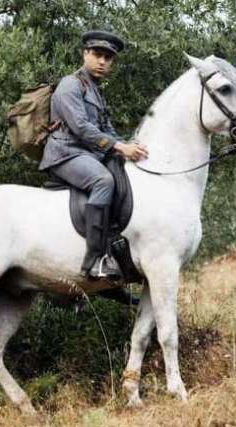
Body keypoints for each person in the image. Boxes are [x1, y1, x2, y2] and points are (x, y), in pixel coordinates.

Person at [40, 30, 148, 280]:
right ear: (85, 53)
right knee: (103, 180)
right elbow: (80, 127)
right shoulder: (71, 85)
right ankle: (95, 260)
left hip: (87, 154)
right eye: (98, 55)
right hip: (64, 154)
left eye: (108, 58)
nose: (103, 61)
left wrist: (130, 145)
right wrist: (119, 147)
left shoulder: (95, 90)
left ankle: (119, 255)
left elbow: (104, 128)